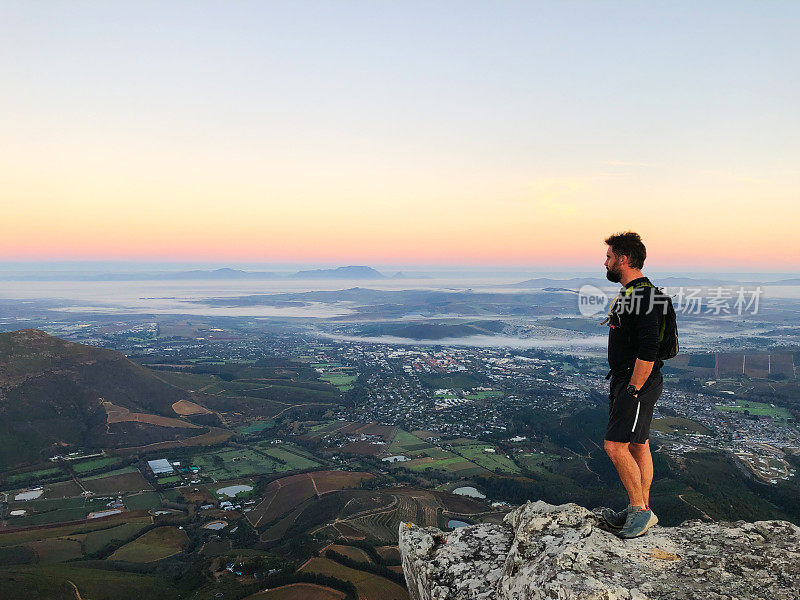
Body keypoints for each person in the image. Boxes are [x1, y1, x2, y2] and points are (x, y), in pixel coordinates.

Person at [601, 231, 665, 538]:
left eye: (610, 257)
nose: (606, 262)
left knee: (615, 446)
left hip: (637, 382)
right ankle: (640, 508)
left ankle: (640, 510)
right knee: (638, 444)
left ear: (623, 259)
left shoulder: (642, 296)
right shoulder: (636, 293)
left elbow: (650, 346)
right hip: (630, 380)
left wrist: (634, 388)